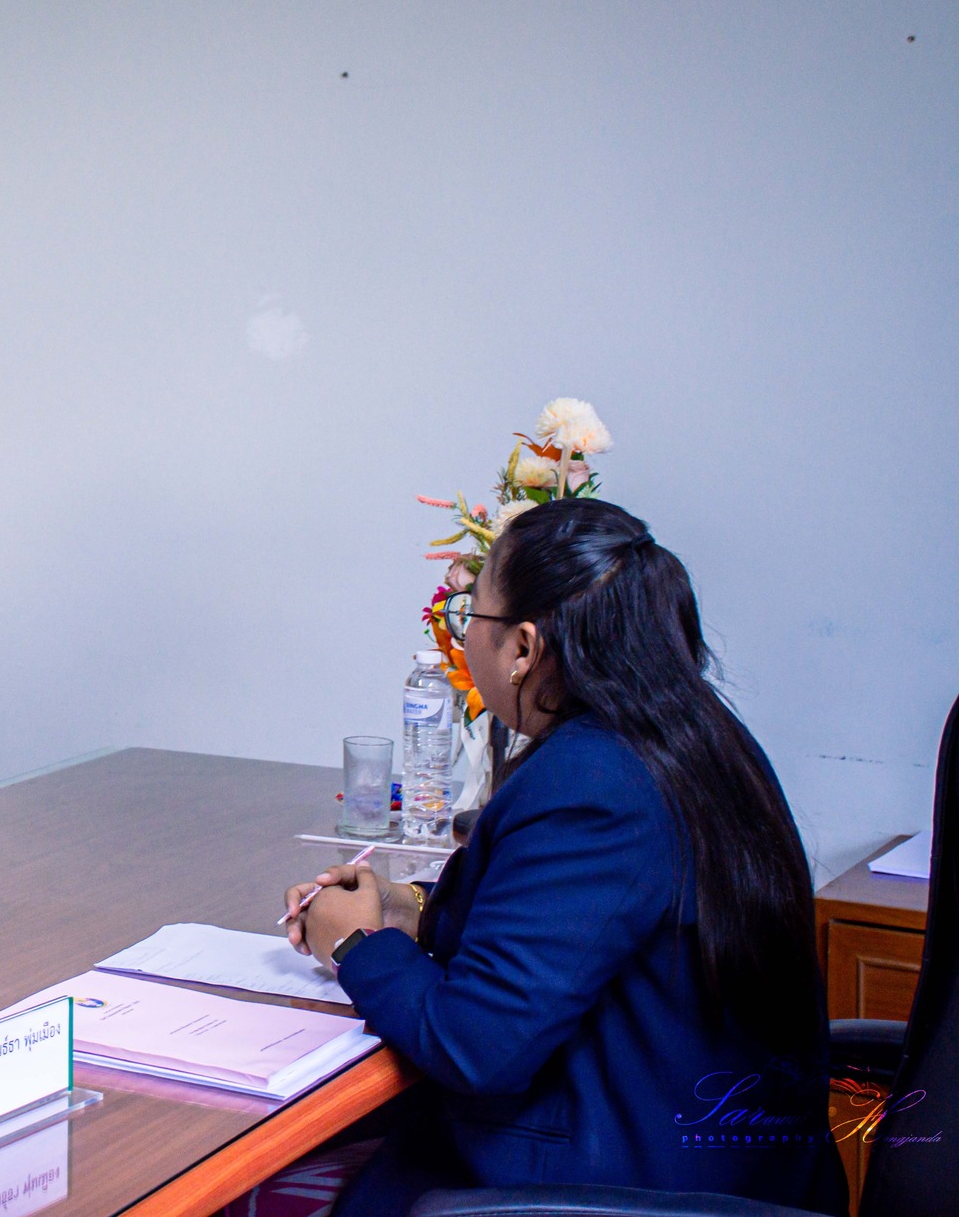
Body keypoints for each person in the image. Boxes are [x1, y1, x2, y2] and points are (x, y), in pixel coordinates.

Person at [284, 499, 847, 1216]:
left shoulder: (594, 781)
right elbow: (581, 930)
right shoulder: (696, 739)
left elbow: (475, 1046)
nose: (464, 636)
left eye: (470, 617)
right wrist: (410, 908)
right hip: (707, 1154)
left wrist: (355, 944)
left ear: (523, 648)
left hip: (618, 1182)